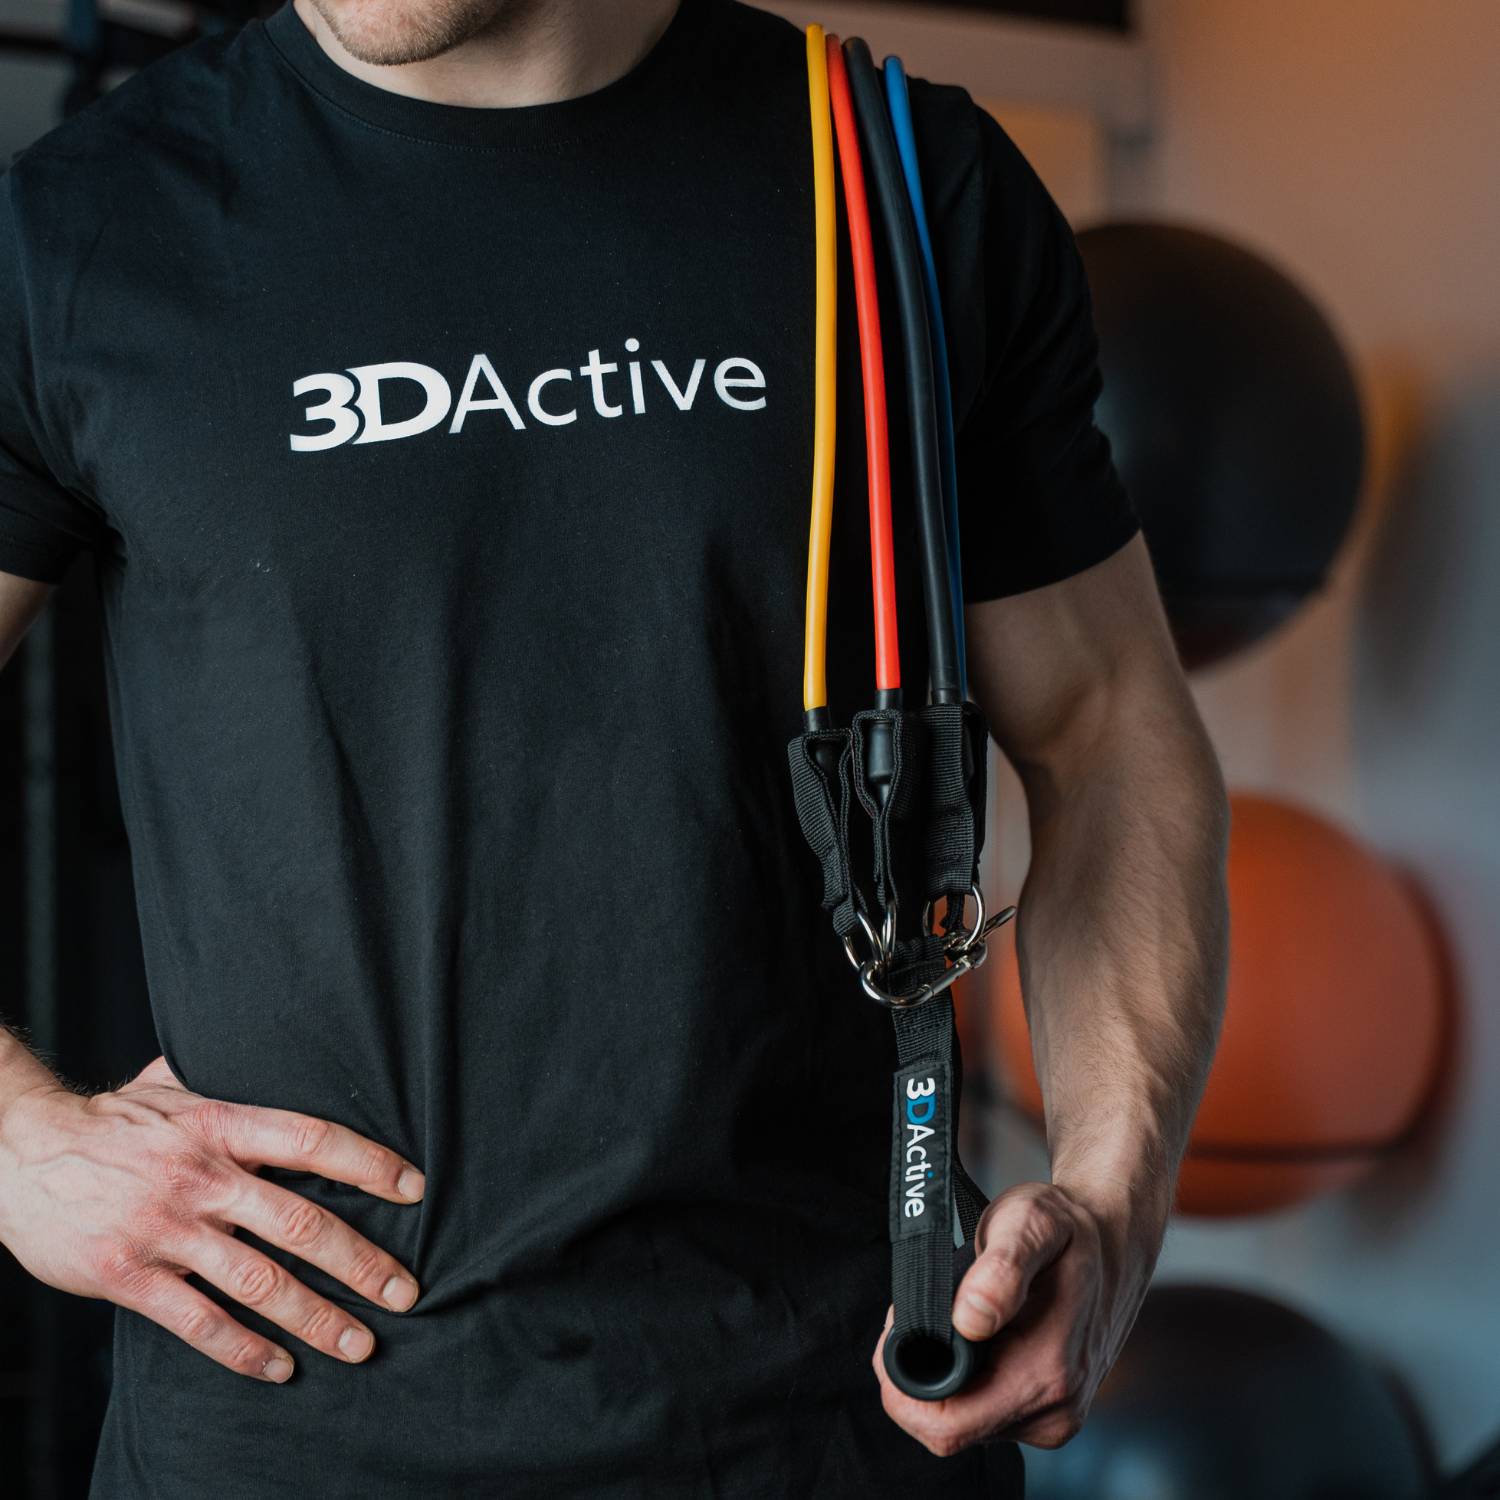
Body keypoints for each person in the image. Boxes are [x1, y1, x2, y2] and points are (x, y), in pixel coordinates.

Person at [0, 0, 1229, 1494]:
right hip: (293, 1434)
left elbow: (1108, 733)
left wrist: (1113, 1205)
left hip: (836, 1422)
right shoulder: (88, 227)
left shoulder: (904, 186)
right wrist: (18, 1142)